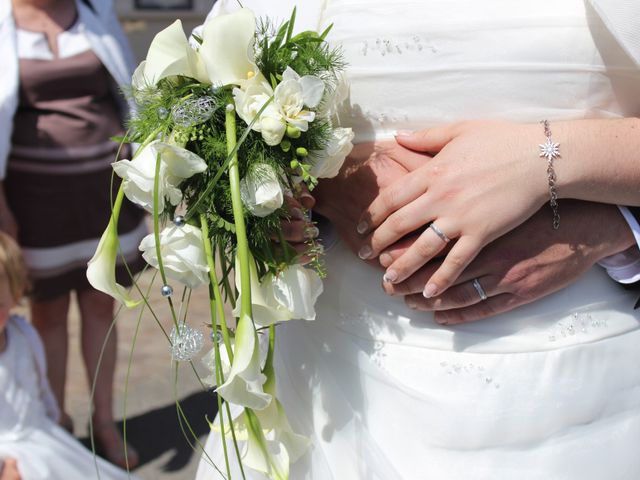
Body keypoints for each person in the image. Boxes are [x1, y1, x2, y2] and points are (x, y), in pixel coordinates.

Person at [197, 1, 640, 478]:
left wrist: (606, 219)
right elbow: (206, 118)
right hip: (335, 377)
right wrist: (318, 184)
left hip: (583, 388)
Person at [0, 0, 146, 469]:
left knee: (102, 304)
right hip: (34, 199)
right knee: (47, 313)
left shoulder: (93, 11)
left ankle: (104, 422)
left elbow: (127, 90)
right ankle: (55, 423)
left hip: (105, 192)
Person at [0, 232, 138, 479]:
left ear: (15, 291)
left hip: (40, 436)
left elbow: (41, 389)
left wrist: (53, 422)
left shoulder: (23, 336)